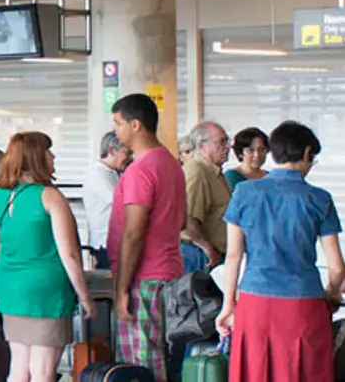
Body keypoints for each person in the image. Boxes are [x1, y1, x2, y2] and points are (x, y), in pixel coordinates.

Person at [216, 120, 345, 380]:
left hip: (255, 303)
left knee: (256, 372)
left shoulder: (243, 192)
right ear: (308, 153)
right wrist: (331, 295)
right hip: (305, 305)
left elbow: (233, 256)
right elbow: (337, 267)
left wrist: (228, 304)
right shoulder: (318, 199)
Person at [0, 132, 92, 382]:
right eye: (48, 151)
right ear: (36, 157)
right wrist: (85, 296)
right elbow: (69, 254)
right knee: (43, 371)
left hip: (10, 287)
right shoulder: (49, 196)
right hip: (45, 292)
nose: (53, 156)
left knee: (19, 367)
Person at [106, 92, 185, 380]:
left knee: (142, 366)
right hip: (169, 271)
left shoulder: (142, 169)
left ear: (136, 124)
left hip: (145, 277)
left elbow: (133, 233)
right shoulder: (171, 164)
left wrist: (122, 289)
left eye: (118, 123)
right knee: (160, 358)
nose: (115, 130)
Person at [180, 121, 232, 272]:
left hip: (208, 254)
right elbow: (189, 220)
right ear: (202, 145)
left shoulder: (215, 172)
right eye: (222, 142)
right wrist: (209, 250)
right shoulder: (197, 171)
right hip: (198, 255)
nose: (227, 146)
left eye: (227, 141)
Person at [84, 130, 132, 265]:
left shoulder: (114, 173)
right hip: (106, 243)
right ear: (112, 150)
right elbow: (123, 203)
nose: (129, 157)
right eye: (126, 152)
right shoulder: (99, 175)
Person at [224, 127, 268, 192]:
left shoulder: (270, 176)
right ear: (240, 153)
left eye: (261, 150)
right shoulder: (231, 177)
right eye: (251, 150)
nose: (257, 155)